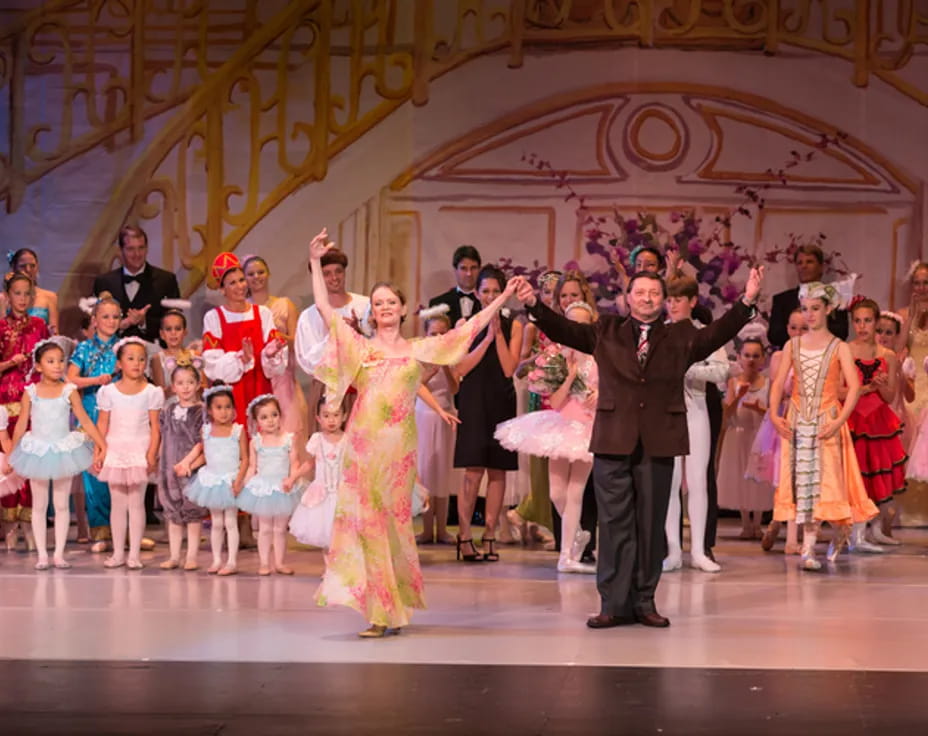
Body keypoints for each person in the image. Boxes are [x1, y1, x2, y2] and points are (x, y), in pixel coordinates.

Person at [513, 266, 763, 629]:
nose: (647, 298)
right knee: (614, 524)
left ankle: (645, 600)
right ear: (627, 298)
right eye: (640, 292)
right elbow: (564, 329)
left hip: (659, 441)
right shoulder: (606, 330)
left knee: (649, 524)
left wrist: (747, 301)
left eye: (654, 293)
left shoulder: (679, 335)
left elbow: (715, 334)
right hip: (614, 439)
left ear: (663, 300)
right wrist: (534, 304)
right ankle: (612, 603)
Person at [309, 227, 515, 637]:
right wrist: (314, 261)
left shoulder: (418, 349)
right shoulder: (360, 348)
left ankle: (393, 606)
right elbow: (323, 307)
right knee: (367, 529)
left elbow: (467, 329)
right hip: (363, 453)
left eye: (391, 302)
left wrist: (503, 299)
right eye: (379, 302)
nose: (385, 307)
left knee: (393, 528)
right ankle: (379, 612)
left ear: (404, 309)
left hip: (398, 455)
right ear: (373, 312)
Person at [769, 281, 877, 571]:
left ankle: (838, 531)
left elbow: (853, 387)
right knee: (803, 483)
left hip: (827, 418)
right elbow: (779, 382)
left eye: (815, 309)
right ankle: (807, 548)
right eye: (805, 309)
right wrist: (774, 414)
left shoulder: (838, 347)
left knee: (825, 483)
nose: (810, 315)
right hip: (798, 418)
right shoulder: (793, 345)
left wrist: (839, 420)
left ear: (828, 309)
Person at [496, 300, 599, 574]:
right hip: (561, 426)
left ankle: (566, 556)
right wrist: (569, 377)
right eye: (571, 322)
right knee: (556, 493)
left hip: (588, 429)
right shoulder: (558, 358)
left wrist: (598, 395)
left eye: (581, 323)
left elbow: (609, 392)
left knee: (575, 492)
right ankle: (576, 534)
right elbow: (554, 400)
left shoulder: (598, 358)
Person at [7, 340, 106, 569]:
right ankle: (42, 554)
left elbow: (84, 420)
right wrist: (12, 453)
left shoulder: (69, 390)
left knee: (61, 504)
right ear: (39, 366)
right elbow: (21, 424)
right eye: (50, 361)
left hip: (63, 449)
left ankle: (59, 554)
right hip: (38, 451)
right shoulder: (31, 392)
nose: (57, 365)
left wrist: (102, 444)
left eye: (61, 360)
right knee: (39, 505)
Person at [453, 265, 522, 563]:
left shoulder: (515, 324)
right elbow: (460, 369)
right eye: (486, 291)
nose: (491, 296)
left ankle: (490, 532)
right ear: (478, 294)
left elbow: (509, 369)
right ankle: (465, 534)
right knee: (472, 470)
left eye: (496, 291)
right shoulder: (465, 323)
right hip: (473, 399)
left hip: (501, 398)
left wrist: (499, 335)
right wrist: (486, 339)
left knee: (498, 470)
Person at [662, 276, 729, 573]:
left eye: (678, 299)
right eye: (670, 299)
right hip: (666, 414)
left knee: (698, 481)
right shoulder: (658, 334)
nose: (673, 305)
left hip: (696, 409)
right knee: (670, 483)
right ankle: (673, 551)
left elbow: (722, 371)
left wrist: (690, 369)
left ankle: (700, 550)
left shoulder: (706, 335)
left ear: (692, 302)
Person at [95, 337, 165, 570]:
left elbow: (155, 427)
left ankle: (133, 554)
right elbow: (102, 424)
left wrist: (152, 452)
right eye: (130, 358)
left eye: (141, 359)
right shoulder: (108, 392)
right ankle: (117, 553)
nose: (136, 363)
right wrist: (99, 450)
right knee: (118, 503)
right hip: (115, 449)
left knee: (136, 503)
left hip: (139, 449)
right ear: (119, 363)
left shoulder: (152, 392)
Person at [845, 298, 907, 551]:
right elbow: (838, 390)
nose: (862, 326)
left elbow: (891, 396)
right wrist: (862, 389)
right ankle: (855, 533)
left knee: (876, 473)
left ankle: (874, 529)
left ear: (876, 322)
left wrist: (880, 387)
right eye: (857, 321)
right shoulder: (845, 351)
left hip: (878, 421)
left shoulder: (888, 356)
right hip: (854, 418)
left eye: (867, 321)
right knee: (857, 474)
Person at [294, 246, 371, 432]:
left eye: (338, 271)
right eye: (326, 273)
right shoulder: (309, 316)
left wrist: (357, 334)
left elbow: (378, 346)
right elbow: (307, 360)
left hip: (361, 385)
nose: (334, 277)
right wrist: (336, 337)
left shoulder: (365, 304)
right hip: (326, 387)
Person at [0, 273, 49, 548]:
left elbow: (50, 361)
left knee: (32, 463)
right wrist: (9, 363)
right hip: (6, 401)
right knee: (8, 462)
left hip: (34, 401)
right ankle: (8, 525)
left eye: (26, 293)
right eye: (16, 293)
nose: (21, 299)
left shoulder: (40, 326)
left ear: (32, 297)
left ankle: (30, 525)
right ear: (7, 296)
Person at [69, 295, 121, 551]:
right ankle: (100, 532)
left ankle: (123, 531)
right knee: (96, 473)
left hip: (120, 416)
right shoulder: (84, 348)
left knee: (122, 474)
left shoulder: (124, 347)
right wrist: (97, 380)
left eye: (115, 317)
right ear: (94, 320)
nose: (110, 321)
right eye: (105, 316)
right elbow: (71, 379)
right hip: (91, 414)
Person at [753, 308, 806, 554]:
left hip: (806, 419)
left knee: (801, 478)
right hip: (784, 419)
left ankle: (794, 531)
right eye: (794, 327)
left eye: (804, 328)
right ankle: (781, 522)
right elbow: (777, 390)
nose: (798, 333)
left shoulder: (813, 354)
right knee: (784, 478)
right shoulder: (779, 357)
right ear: (787, 328)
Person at [236, 394, 304, 576]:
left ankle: (280, 563)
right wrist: (244, 483)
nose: (270, 421)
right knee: (265, 528)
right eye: (264, 417)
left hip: (283, 487)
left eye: (274, 415)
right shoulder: (256, 442)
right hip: (264, 488)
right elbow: (252, 466)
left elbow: (295, 462)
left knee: (280, 528)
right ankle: (265, 563)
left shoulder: (288, 439)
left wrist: (292, 478)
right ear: (257, 421)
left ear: (280, 415)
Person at [244, 255, 309, 444]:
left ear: (268, 274)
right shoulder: (244, 310)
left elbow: (297, 341)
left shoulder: (284, 305)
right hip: (254, 378)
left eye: (260, 272)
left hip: (282, 380)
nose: (256, 277)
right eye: (251, 274)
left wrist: (280, 340)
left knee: (288, 435)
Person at [184, 385, 247, 575]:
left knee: (230, 521)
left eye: (228, 407)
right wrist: (189, 465)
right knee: (216, 522)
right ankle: (217, 559)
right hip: (211, 481)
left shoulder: (238, 431)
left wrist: (238, 481)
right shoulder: (206, 431)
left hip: (230, 480)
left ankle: (232, 561)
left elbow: (245, 458)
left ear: (234, 410)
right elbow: (206, 455)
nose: (224, 412)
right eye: (219, 407)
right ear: (210, 411)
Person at [414, 310, 461, 545]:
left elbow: (454, 389)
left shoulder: (453, 357)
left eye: (443, 333)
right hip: (423, 417)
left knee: (442, 472)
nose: (439, 337)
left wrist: (444, 368)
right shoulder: (418, 356)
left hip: (445, 417)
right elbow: (412, 387)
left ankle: (442, 529)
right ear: (426, 334)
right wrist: (430, 370)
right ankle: (426, 529)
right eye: (434, 333)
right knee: (425, 472)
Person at [717, 338, 771, 540]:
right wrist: (739, 396)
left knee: (759, 478)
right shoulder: (734, 381)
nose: (751, 360)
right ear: (739, 357)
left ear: (763, 359)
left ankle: (757, 523)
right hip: (739, 434)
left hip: (760, 434)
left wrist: (759, 409)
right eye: (747, 355)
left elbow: (773, 412)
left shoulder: (768, 382)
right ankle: (746, 523)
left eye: (756, 356)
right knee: (739, 476)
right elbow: (728, 412)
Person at [157, 362, 207, 571]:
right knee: (173, 513)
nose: (185, 387)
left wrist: (188, 463)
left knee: (192, 513)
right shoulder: (168, 411)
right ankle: (175, 555)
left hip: (190, 469)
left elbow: (202, 442)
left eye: (190, 382)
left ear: (197, 385)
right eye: (180, 383)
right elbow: (163, 436)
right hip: (168, 468)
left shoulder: (200, 412)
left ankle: (192, 556)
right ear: (173, 386)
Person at [92, 225, 181, 342]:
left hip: (155, 353)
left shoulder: (166, 280)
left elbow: (176, 322)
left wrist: (144, 322)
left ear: (147, 248)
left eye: (141, 248)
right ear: (120, 250)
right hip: (112, 354)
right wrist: (122, 324)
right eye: (131, 249)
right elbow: (94, 325)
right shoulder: (104, 282)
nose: (137, 254)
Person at [289, 399, 347, 549]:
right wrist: (293, 477)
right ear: (318, 419)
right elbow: (310, 463)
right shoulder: (317, 440)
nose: (331, 420)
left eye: (336, 415)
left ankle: (339, 569)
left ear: (344, 416)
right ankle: (328, 568)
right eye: (326, 416)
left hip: (343, 493)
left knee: (343, 535)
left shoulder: (348, 440)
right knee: (325, 533)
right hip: (322, 493)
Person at [767, 244, 849, 349]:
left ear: (821, 267)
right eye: (799, 263)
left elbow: (841, 332)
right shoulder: (781, 300)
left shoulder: (836, 298)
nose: (803, 266)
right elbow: (774, 335)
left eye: (809, 261)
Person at [897, 262, 928, 526]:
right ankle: (907, 516)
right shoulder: (903, 313)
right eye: (917, 283)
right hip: (911, 383)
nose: (921, 287)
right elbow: (897, 350)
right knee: (907, 444)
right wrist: (911, 318)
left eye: (925, 282)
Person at [428, 245, 482, 327]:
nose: (469, 274)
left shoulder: (488, 303)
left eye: (473, 268)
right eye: (464, 268)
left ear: (479, 269)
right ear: (455, 270)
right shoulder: (438, 304)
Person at [8, 248, 58, 333]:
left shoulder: (50, 297)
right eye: (23, 266)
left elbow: (55, 334)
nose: (28, 270)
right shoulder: (4, 298)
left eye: (32, 266)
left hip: (41, 345)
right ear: (14, 268)